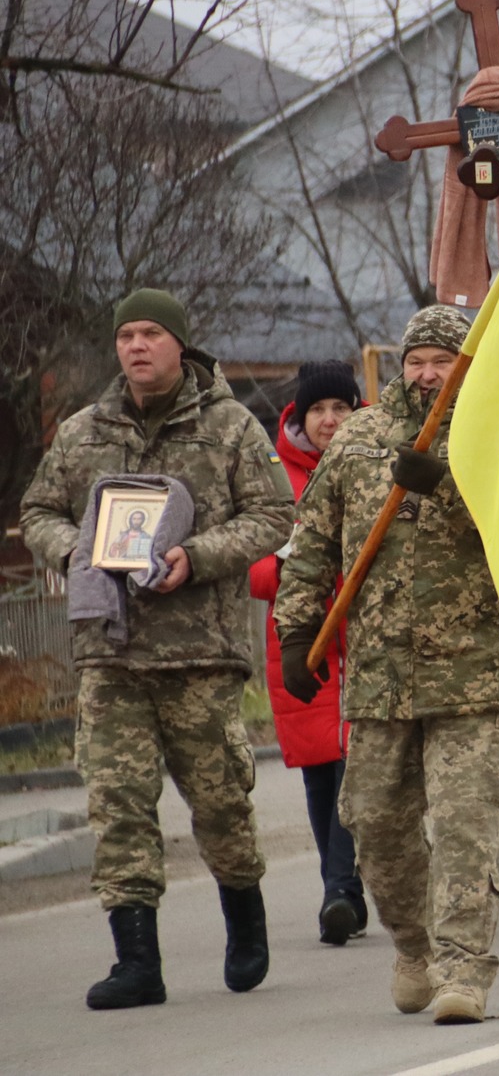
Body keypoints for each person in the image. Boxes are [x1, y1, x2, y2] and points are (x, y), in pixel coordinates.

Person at [21, 288, 293, 1011]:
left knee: (219, 801)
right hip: (109, 650)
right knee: (118, 803)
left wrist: (195, 555)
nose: (135, 346)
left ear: (179, 344)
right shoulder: (83, 432)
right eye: (125, 336)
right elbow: (37, 509)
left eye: (149, 334)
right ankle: (136, 958)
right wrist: (75, 546)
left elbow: (273, 513)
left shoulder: (230, 426)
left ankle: (245, 919)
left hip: (198, 651)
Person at [273, 306, 499, 1024]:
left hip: (472, 672)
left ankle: (463, 969)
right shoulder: (356, 439)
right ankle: (414, 945)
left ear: (464, 366)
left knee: (464, 824)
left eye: (441, 359)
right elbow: (311, 544)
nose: (426, 371)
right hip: (378, 676)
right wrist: (297, 631)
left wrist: (444, 482)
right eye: (417, 358)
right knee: (374, 822)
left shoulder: (495, 433)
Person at [248, 360, 365, 947]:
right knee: (321, 773)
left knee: (358, 766)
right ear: (299, 416)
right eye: (317, 410)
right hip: (301, 645)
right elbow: (256, 566)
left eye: (340, 408)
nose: (328, 420)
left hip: (367, 642)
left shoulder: (376, 462)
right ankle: (338, 883)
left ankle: (343, 888)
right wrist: (300, 570)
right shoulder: (274, 479)